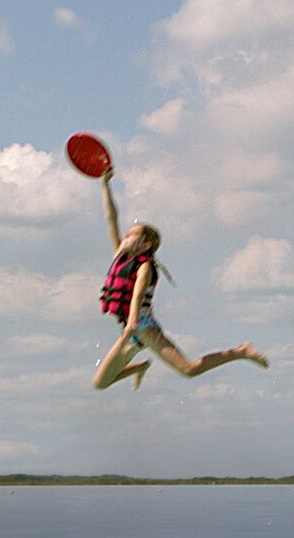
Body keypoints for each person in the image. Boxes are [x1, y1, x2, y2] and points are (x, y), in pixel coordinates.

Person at [90, 166, 267, 390]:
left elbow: (136, 296)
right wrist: (105, 185)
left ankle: (240, 351)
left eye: (132, 235)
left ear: (145, 245)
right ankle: (140, 367)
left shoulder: (144, 266)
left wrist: (132, 326)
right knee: (100, 383)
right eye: (126, 234)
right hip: (131, 329)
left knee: (189, 370)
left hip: (142, 327)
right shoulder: (121, 256)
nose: (125, 236)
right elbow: (110, 218)